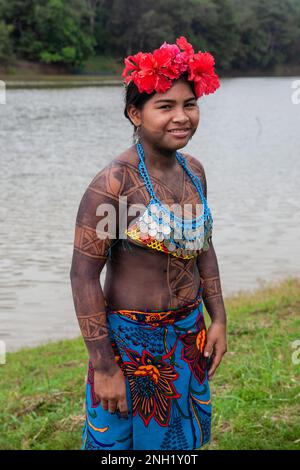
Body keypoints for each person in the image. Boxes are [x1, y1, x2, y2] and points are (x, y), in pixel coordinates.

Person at [70, 36, 227, 451]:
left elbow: (203, 249)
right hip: (130, 346)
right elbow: (84, 276)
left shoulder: (193, 171)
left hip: (189, 333)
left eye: (189, 104)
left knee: (184, 442)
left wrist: (219, 319)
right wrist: (104, 367)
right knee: (122, 447)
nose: (181, 117)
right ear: (135, 113)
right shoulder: (114, 183)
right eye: (165, 106)